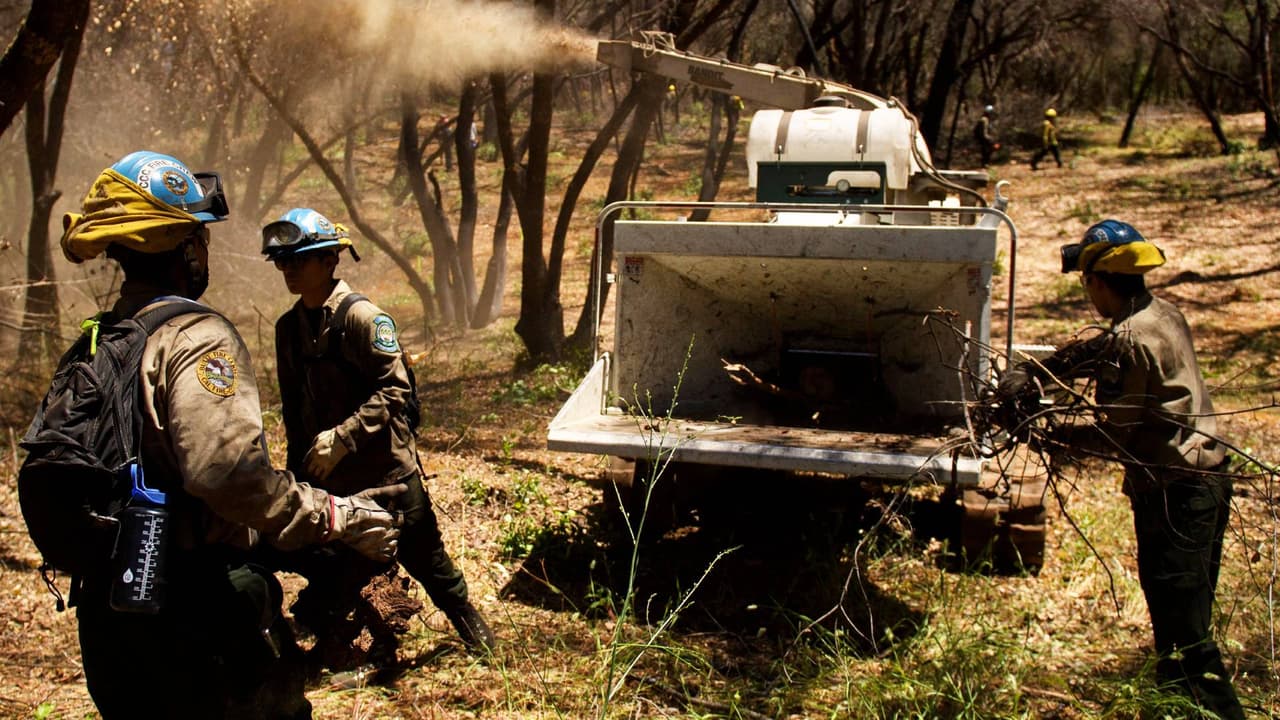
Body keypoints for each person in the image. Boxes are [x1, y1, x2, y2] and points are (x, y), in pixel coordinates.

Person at [54, 151, 405, 719]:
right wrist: (338, 517)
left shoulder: (94, 342)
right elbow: (228, 476)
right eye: (200, 236)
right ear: (187, 247)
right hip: (189, 609)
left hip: (105, 609)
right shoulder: (195, 336)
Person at [998, 219, 1243, 720]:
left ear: (1097, 282)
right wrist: (1036, 369)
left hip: (1177, 494)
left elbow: (1113, 432)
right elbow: (1100, 347)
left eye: (1087, 285)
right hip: (1210, 479)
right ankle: (1177, 709)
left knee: (1186, 635)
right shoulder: (1164, 313)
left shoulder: (1129, 341)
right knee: (1180, 623)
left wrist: (1040, 429)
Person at [261, 208, 495, 664]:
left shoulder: (364, 318)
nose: (288, 270)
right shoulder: (288, 330)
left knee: (430, 564)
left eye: (299, 260)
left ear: (330, 261)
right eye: (282, 262)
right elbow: (294, 410)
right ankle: (351, 641)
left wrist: (343, 438)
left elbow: (395, 388)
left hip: (386, 476)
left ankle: (480, 641)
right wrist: (297, 476)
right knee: (328, 568)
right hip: (329, 484)